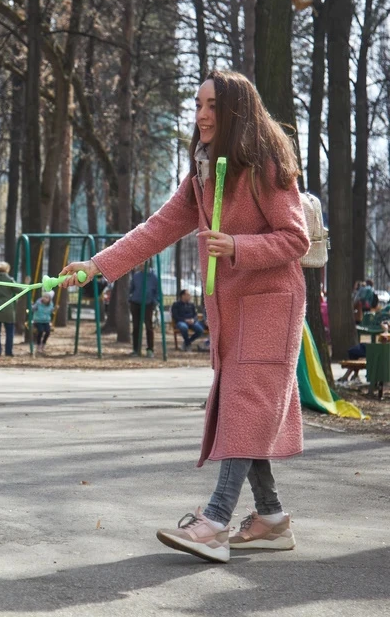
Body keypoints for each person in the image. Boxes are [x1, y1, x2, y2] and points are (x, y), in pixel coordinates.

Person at [61, 70, 310, 563]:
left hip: (271, 306)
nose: (201, 114)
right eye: (198, 104)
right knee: (246, 410)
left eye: (213, 105)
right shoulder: (202, 170)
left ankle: (215, 522)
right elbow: (157, 229)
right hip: (233, 310)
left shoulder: (264, 163)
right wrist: (96, 266)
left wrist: (237, 245)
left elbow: (295, 238)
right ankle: (272, 519)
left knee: (242, 406)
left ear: (236, 110)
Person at [128, 265, 159, 357]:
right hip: (136, 302)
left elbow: (157, 292)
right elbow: (131, 289)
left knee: (149, 326)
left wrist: (154, 301)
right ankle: (136, 349)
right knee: (136, 327)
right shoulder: (136, 276)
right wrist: (130, 298)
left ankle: (150, 349)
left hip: (148, 303)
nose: (140, 266)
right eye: (140, 264)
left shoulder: (153, 277)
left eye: (142, 264)